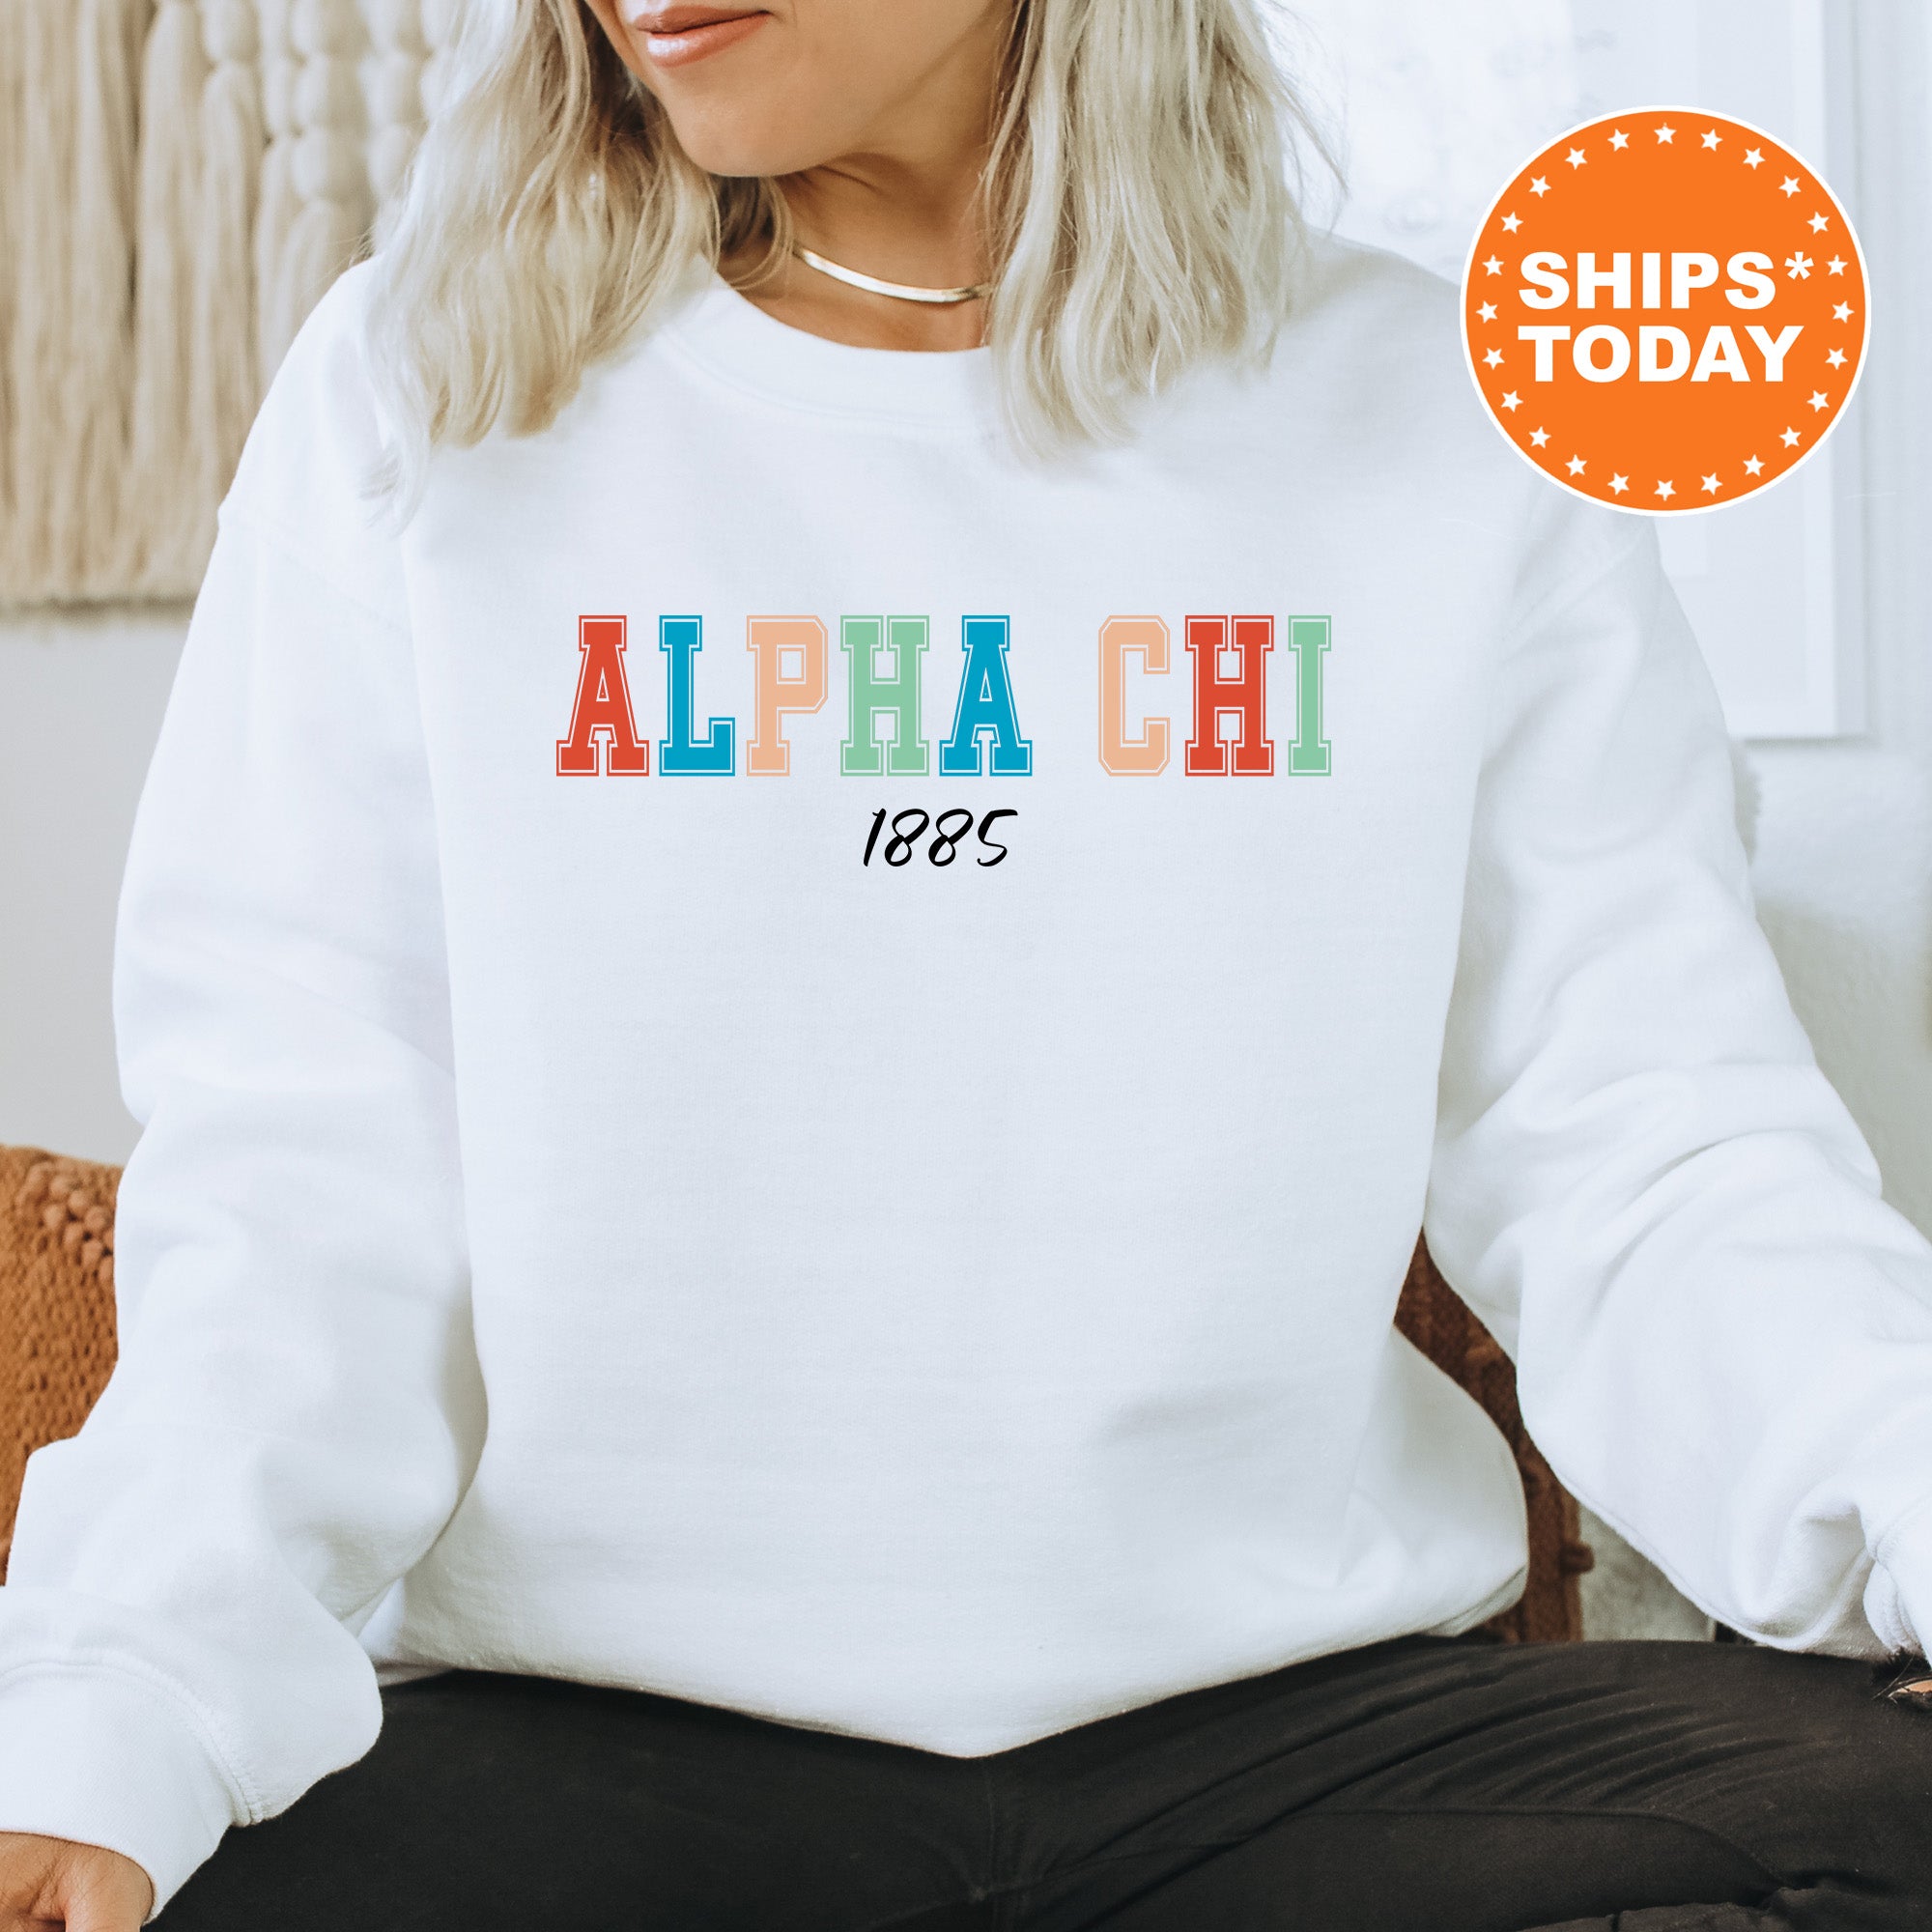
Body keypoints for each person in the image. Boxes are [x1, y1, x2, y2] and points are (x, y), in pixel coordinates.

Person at [2, 1, 1929, 1926]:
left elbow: (1645, 1152)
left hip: (1291, 1743)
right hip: (594, 1751)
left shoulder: (1438, 414)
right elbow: (308, 1183)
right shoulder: (415, 389)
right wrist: (122, 1704)